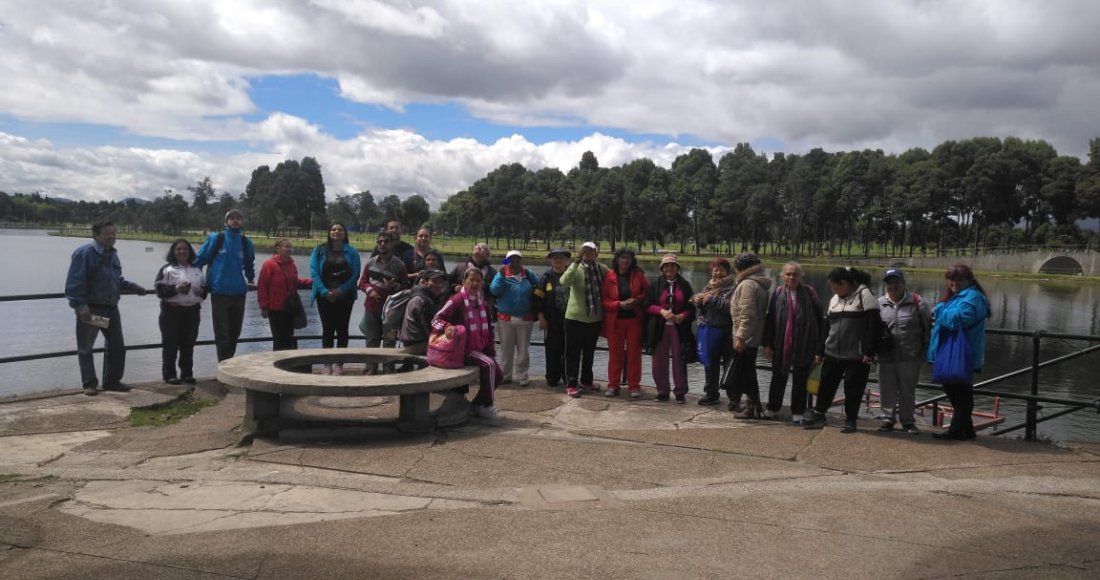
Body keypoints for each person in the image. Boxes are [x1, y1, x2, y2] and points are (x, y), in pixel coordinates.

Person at [65, 221, 147, 396]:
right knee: (86, 347)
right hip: (91, 309)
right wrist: (80, 306)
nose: (112, 237)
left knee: (117, 346)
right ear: (95, 234)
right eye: (107, 233)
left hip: (111, 308)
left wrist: (134, 287)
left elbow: (117, 280)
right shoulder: (84, 253)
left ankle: (112, 381)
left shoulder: (113, 255)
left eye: (114, 233)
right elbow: (74, 283)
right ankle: (89, 384)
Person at [801, 267, 881, 433]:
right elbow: (827, 327)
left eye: (834, 286)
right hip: (832, 352)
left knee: (853, 387)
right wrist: (820, 351)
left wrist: (869, 351)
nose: (833, 290)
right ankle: (819, 413)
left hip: (856, 355)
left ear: (844, 283)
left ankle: (851, 420)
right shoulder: (835, 299)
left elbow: (873, 326)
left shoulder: (864, 295)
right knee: (826, 384)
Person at [431, 268, 505, 425]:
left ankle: (477, 404)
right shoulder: (457, 300)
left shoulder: (483, 305)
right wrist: (447, 327)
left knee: (498, 374)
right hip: (463, 351)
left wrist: (490, 351)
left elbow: (490, 330)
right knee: (490, 365)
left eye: (478, 280)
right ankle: (487, 404)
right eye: (472, 280)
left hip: (479, 350)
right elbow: (436, 319)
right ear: (464, 282)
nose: (475, 283)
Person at [927, 263, 990, 441]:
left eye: (958, 279)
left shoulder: (973, 297)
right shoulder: (958, 296)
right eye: (951, 279)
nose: (954, 282)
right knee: (954, 388)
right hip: (952, 351)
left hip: (962, 352)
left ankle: (955, 431)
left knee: (961, 391)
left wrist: (938, 310)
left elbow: (959, 320)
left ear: (969, 280)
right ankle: (967, 430)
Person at [762, 261, 825, 423]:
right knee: (778, 377)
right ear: (782, 276)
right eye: (788, 274)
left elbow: (820, 321)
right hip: (781, 343)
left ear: (800, 276)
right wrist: (767, 344)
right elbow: (770, 320)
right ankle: (773, 407)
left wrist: (819, 350)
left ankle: (798, 411)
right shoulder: (777, 293)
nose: (791, 277)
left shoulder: (810, 293)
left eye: (795, 274)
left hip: (805, 344)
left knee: (801, 378)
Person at [193, 209, 256, 361]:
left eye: (238, 218)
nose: (235, 220)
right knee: (222, 333)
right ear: (226, 222)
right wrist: (196, 281)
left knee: (235, 332)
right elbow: (199, 260)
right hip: (219, 292)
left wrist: (251, 279)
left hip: (239, 293)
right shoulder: (216, 238)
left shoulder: (245, 242)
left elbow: (249, 264)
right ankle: (224, 366)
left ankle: (227, 364)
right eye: (232, 218)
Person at [877, 268, 932, 434]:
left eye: (896, 282)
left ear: (903, 283)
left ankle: (908, 421)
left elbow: (927, 328)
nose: (893, 286)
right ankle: (888, 419)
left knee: (907, 390)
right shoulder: (878, 303)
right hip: (886, 356)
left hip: (910, 356)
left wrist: (925, 351)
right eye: (889, 283)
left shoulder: (917, 302)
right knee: (886, 389)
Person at [310, 223, 361, 375]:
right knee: (327, 329)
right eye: (333, 229)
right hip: (324, 296)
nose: (336, 232)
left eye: (340, 229)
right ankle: (327, 363)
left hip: (345, 297)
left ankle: (339, 363)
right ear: (329, 232)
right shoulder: (319, 251)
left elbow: (355, 274)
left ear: (345, 234)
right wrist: (325, 292)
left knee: (342, 330)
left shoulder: (352, 252)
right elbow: (314, 273)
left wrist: (341, 290)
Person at [725, 253, 773, 418]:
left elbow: (747, 314)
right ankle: (754, 406)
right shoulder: (759, 283)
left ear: (741, 268)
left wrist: (740, 337)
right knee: (748, 372)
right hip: (753, 335)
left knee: (747, 374)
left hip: (747, 337)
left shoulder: (747, 285)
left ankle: (751, 408)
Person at [153, 239, 206, 385]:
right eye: (178, 249)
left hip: (192, 312)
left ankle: (187, 374)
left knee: (188, 345)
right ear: (173, 252)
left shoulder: (197, 270)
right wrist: (177, 289)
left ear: (190, 252)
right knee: (170, 345)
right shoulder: (167, 269)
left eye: (185, 249)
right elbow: (159, 291)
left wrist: (200, 291)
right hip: (171, 312)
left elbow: (205, 292)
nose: (182, 252)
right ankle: (169, 375)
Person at [560, 242, 609, 398]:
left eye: (591, 251)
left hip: (594, 318)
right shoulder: (576, 268)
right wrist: (576, 261)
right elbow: (564, 281)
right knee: (572, 353)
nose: (588, 254)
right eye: (585, 251)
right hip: (575, 318)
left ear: (596, 253)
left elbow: (615, 278)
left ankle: (586, 381)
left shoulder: (601, 268)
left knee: (589, 352)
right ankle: (571, 384)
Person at [644, 253, 694, 403]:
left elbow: (692, 308)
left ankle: (680, 392)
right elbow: (647, 305)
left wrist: (683, 315)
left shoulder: (685, 285)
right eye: (666, 266)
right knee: (658, 361)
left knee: (679, 360)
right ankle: (662, 390)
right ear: (662, 268)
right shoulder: (655, 285)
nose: (670, 268)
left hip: (679, 329)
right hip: (660, 328)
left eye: (672, 265)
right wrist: (661, 311)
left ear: (677, 268)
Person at [601, 248, 649, 398]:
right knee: (615, 355)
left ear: (632, 260)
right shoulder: (609, 277)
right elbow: (604, 300)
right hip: (615, 322)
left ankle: (634, 386)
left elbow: (648, 293)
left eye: (628, 258)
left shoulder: (639, 275)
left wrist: (636, 300)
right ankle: (613, 385)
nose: (625, 260)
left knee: (634, 354)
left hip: (634, 320)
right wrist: (618, 304)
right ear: (617, 259)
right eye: (622, 257)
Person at [489, 250, 540, 386]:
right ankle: (505, 375)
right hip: (505, 319)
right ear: (507, 261)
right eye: (511, 260)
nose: (515, 263)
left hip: (526, 318)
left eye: (518, 260)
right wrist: (502, 272)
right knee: (506, 349)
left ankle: (522, 376)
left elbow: (539, 289)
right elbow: (493, 290)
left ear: (521, 262)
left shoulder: (529, 274)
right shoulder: (501, 274)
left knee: (523, 350)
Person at [693, 258, 737, 406]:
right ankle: (711, 394)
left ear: (727, 272)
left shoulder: (734, 288)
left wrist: (712, 299)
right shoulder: (707, 287)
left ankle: (734, 398)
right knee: (710, 364)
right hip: (710, 330)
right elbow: (700, 309)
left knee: (730, 366)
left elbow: (731, 308)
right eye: (715, 270)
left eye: (721, 270)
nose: (718, 273)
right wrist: (699, 317)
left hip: (728, 332)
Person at [359, 232, 409, 356]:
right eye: (380, 242)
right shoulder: (370, 263)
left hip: (391, 311)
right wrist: (370, 290)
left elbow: (406, 286)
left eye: (386, 242)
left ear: (391, 244)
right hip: (371, 307)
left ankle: (388, 368)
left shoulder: (400, 265)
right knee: (371, 339)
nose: (382, 244)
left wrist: (394, 286)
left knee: (389, 341)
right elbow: (362, 282)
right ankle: (370, 368)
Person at [257, 239, 312, 351]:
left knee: (288, 338)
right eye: (286, 246)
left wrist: (312, 281)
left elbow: (294, 281)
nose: (290, 249)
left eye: (291, 247)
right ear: (278, 248)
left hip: (289, 307)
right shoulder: (269, 264)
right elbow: (262, 286)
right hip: (275, 308)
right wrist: (264, 306)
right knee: (278, 339)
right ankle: (276, 365)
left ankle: (286, 364)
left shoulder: (291, 264)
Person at [533, 248, 571, 387]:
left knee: (569, 351)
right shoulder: (546, 277)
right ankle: (552, 377)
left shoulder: (572, 274)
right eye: (555, 258)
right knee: (552, 351)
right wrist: (541, 317)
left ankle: (569, 378)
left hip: (570, 322)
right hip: (551, 322)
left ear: (566, 260)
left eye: (561, 258)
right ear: (550, 261)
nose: (558, 261)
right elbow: (537, 299)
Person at [399, 270, 448, 356]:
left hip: (413, 341)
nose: (438, 285)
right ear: (424, 282)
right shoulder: (423, 300)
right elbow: (429, 328)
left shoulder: (420, 295)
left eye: (440, 282)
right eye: (434, 281)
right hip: (416, 344)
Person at [449, 243, 497, 309]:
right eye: (477, 246)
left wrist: (485, 286)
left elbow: (497, 291)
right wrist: (455, 287)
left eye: (484, 248)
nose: (479, 247)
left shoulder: (492, 272)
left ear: (487, 256)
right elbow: (447, 283)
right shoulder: (460, 267)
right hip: (460, 307)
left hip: (484, 309)